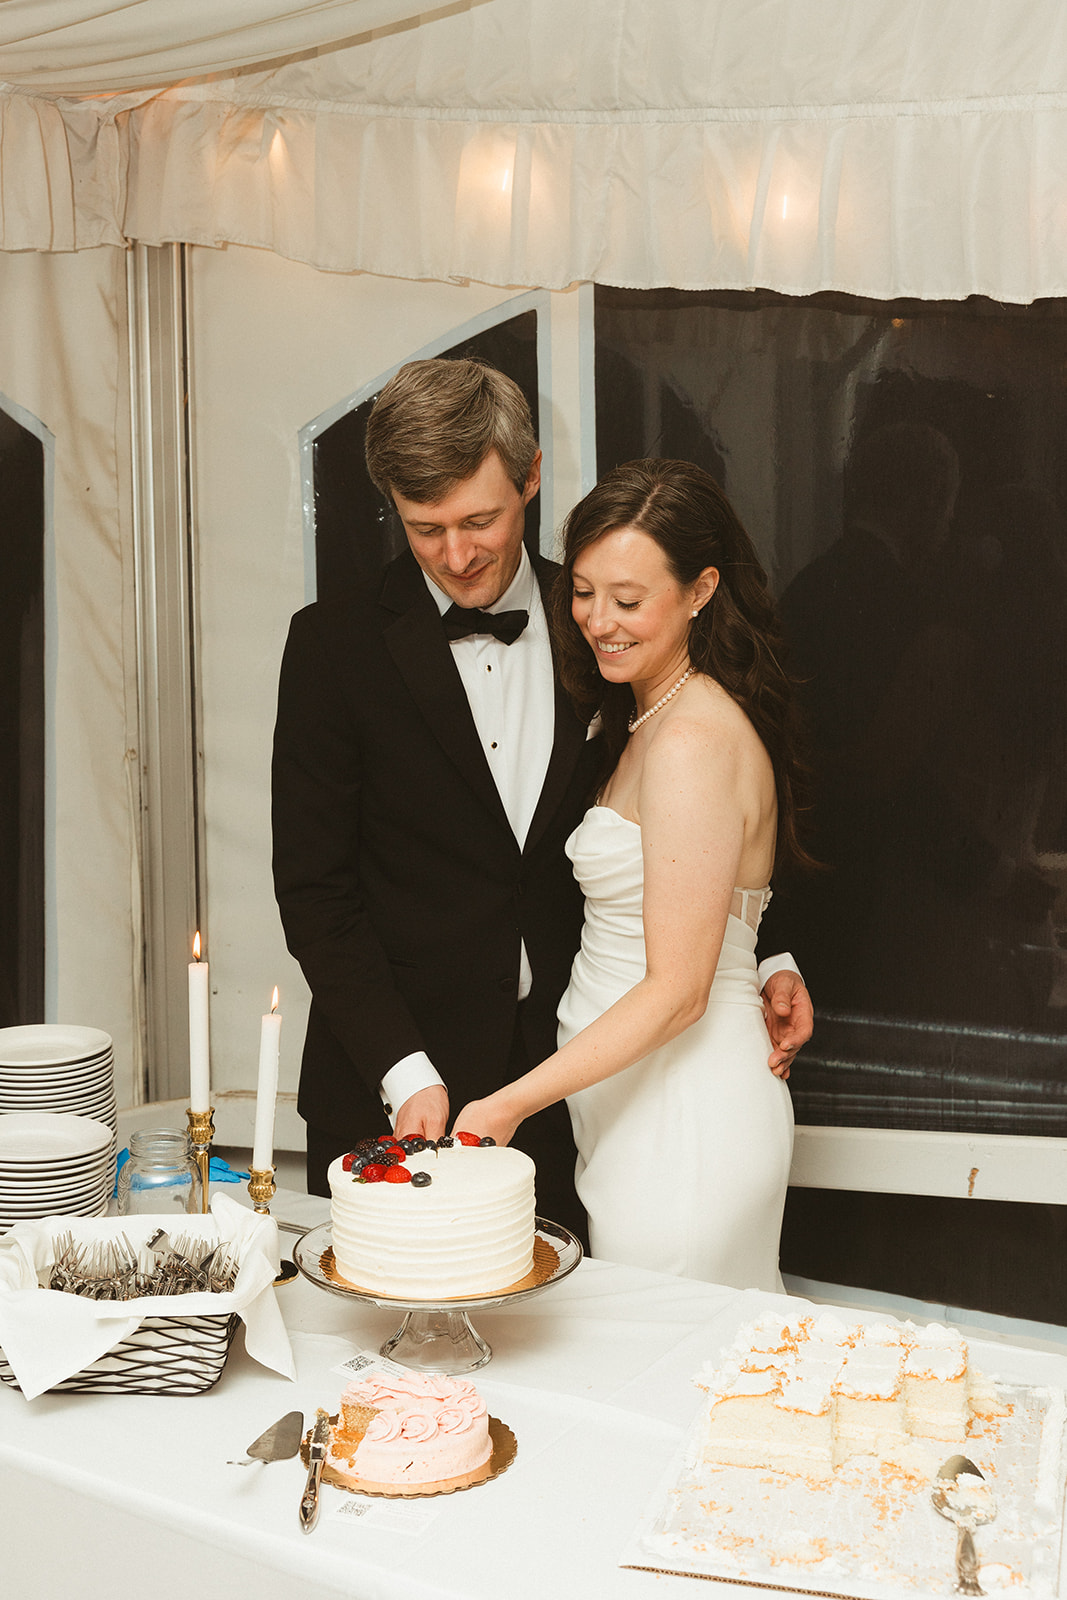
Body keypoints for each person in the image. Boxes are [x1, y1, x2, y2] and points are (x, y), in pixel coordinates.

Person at [272, 361, 812, 1248]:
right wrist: (404, 1071)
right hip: (393, 1082)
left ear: (528, 478)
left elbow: (696, 810)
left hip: (572, 1089)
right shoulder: (331, 648)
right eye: (425, 529)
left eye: (480, 520)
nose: (457, 555)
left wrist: (762, 947)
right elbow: (314, 891)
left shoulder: (601, 615)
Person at [454, 459, 812, 1289]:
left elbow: (680, 989)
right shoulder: (645, 712)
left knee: (675, 1375)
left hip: (685, 1116)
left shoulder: (689, 739)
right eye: (582, 593)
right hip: (631, 1107)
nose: (598, 622)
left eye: (628, 600)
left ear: (699, 590)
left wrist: (509, 1102)